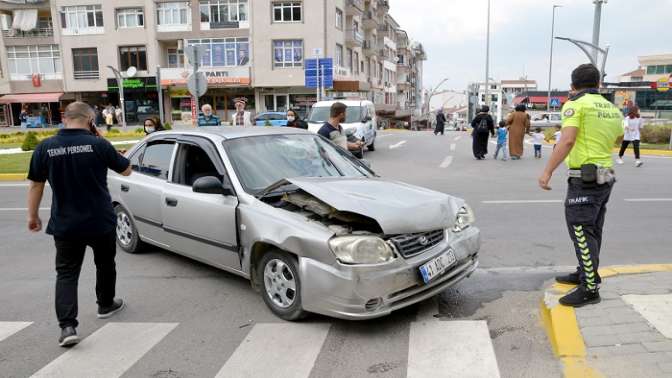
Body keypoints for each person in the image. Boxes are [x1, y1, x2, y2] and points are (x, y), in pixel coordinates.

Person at [26, 102, 132, 347]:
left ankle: (67, 327)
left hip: (65, 224)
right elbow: (127, 171)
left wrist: (32, 216)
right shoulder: (98, 144)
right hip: (100, 221)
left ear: (65, 118)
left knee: (66, 273)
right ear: (90, 119)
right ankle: (106, 304)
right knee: (105, 263)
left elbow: (36, 185)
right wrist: (102, 140)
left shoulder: (46, 147)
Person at [538, 64, 624, 307]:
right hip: (606, 173)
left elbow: (567, 141)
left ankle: (589, 288)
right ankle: (586, 271)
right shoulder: (611, 107)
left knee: (580, 229)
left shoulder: (575, 104)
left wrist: (547, 172)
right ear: (598, 84)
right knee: (593, 228)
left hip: (585, 176)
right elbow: (618, 137)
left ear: (573, 85)